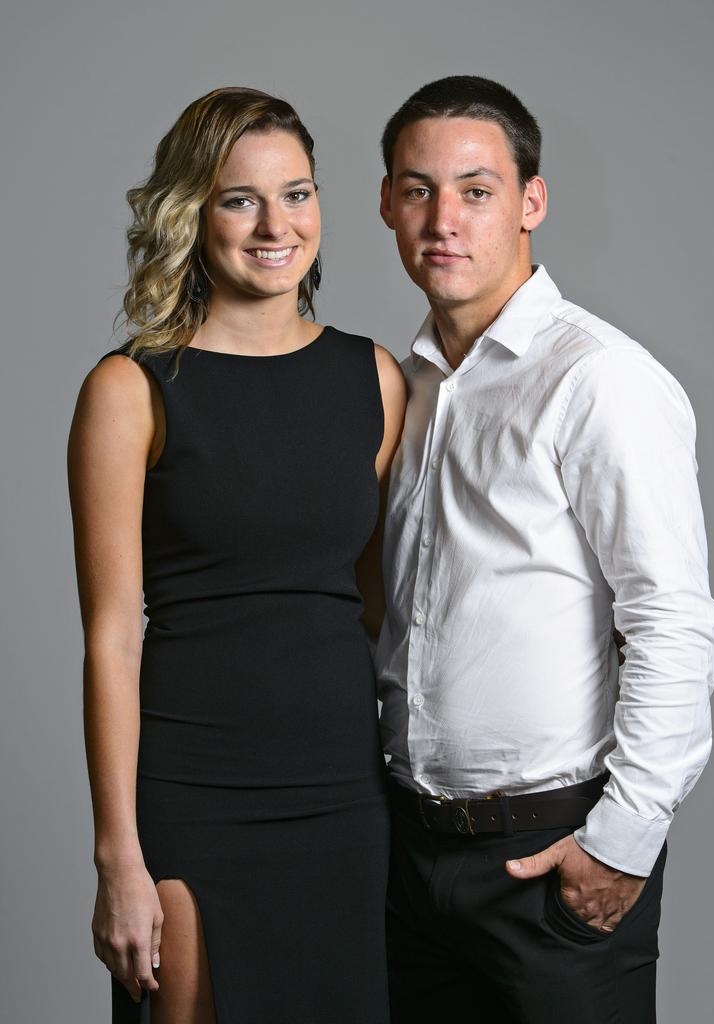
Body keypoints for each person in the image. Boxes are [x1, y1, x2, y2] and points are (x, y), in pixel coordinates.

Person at [375, 75, 714, 1023]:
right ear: (386, 205)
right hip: (409, 855)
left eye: (477, 190)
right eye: (418, 189)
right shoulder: (406, 387)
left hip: (547, 855)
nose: (444, 219)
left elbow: (673, 621)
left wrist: (623, 839)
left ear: (531, 201)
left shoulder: (598, 378)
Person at [68, 86, 405, 1023]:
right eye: (239, 198)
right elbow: (111, 639)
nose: (275, 225)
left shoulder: (372, 378)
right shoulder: (131, 389)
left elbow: (378, 612)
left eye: (297, 194)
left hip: (345, 802)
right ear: (192, 213)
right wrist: (118, 858)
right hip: (194, 797)